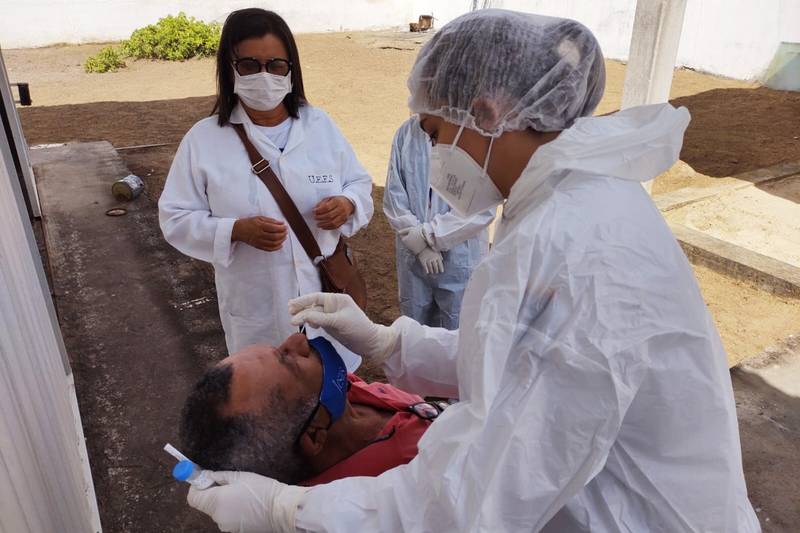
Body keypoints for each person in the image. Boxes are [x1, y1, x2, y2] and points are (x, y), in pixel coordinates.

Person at [186, 9, 761, 533]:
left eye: (434, 133)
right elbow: (515, 358)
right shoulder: (571, 203)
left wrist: (288, 511)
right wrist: (389, 342)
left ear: (485, 113)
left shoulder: (568, 244)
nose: (433, 153)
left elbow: (476, 498)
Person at [158, 9, 373, 368]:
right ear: (229, 68)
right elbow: (175, 218)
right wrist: (235, 231)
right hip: (257, 310)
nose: (264, 76)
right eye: (249, 65)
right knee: (266, 390)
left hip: (325, 294)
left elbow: (359, 183)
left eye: (275, 65)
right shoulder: (204, 140)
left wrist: (347, 203)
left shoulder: (319, 126)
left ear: (291, 69)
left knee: (334, 384)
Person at [180, 334, 435, 486]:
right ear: (314, 436)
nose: (299, 339)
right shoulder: (412, 477)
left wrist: (392, 342)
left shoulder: (342, 396)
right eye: (288, 361)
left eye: (277, 348)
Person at [383, 115, 494, 329]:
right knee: (415, 328)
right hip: (413, 256)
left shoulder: (477, 134)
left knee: (458, 329)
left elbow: (482, 206)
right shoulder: (407, 133)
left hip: (459, 256)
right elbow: (394, 195)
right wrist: (417, 241)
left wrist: (428, 236)